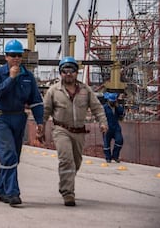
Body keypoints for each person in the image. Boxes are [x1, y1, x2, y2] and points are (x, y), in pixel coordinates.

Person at [42, 56, 108, 207]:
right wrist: (41, 129)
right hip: (61, 130)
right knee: (66, 160)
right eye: (64, 71)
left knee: (76, 163)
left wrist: (103, 123)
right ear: (60, 73)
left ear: (76, 72)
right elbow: (45, 111)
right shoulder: (54, 91)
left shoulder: (85, 90)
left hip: (79, 132)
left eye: (71, 70)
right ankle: (68, 193)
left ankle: (65, 182)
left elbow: (97, 108)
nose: (68, 74)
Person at [0, 39, 44, 206]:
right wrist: (11, 78)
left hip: (19, 118)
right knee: (8, 155)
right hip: (0, 117)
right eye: (12, 55)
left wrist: (40, 122)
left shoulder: (28, 76)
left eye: (19, 55)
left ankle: (2, 190)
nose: (16, 58)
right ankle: (13, 193)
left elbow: (36, 100)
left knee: (14, 158)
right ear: (6, 57)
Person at [102, 92, 125, 163]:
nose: (113, 102)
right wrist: (102, 125)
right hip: (107, 127)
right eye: (112, 101)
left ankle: (115, 156)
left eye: (114, 101)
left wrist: (118, 106)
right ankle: (108, 158)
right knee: (106, 144)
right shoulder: (104, 107)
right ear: (108, 100)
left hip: (116, 128)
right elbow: (101, 117)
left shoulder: (117, 107)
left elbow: (122, 113)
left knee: (119, 140)